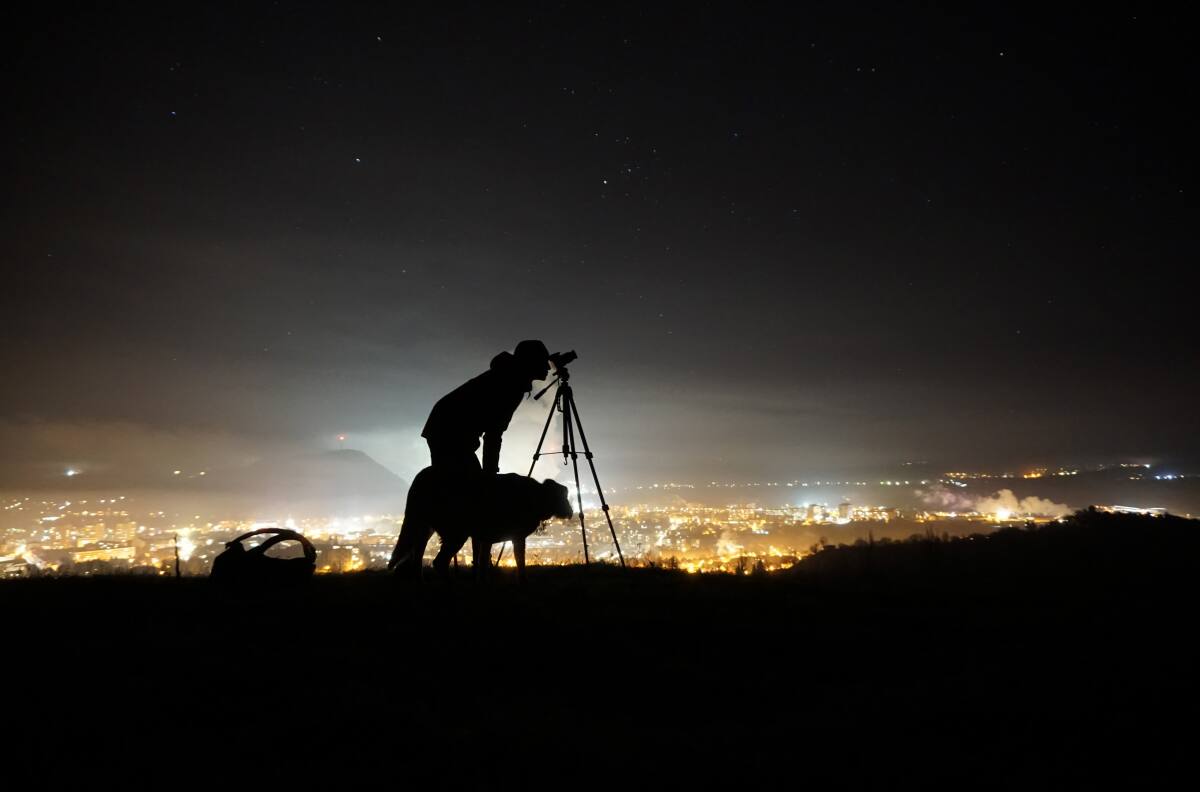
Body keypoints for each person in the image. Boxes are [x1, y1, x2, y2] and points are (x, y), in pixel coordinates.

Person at [421, 339, 551, 479]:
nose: (549, 368)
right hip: (447, 429)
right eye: (544, 362)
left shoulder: (509, 376)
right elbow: (494, 433)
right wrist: (490, 473)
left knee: (459, 482)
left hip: (445, 426)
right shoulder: (510, 384)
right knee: (463, 483)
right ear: (531, 362)